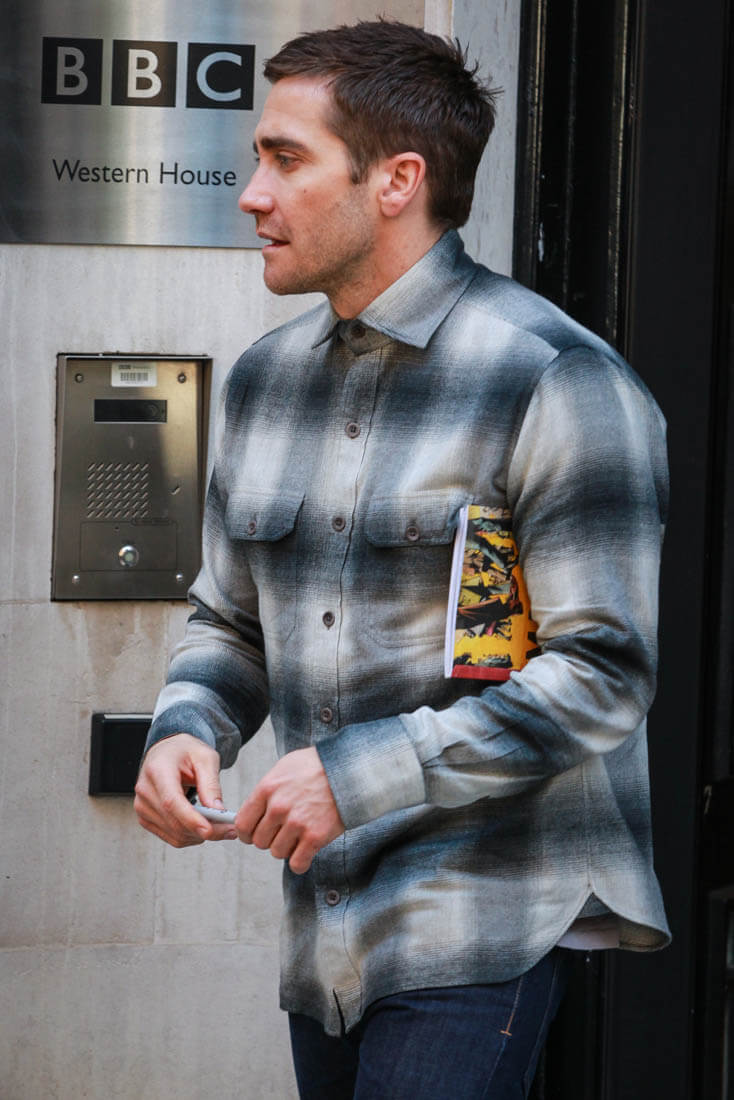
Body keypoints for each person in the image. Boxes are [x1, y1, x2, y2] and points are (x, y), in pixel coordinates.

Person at [134, 19, 670, 1099]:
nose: (251, 194)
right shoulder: (264, 381)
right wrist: (187, 725)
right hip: (324, 919)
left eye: (286, 158)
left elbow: (603, 672)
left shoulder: (554, 378)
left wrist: (357, 773)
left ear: (397, 181)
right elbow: (230, 621)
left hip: (486, 908)